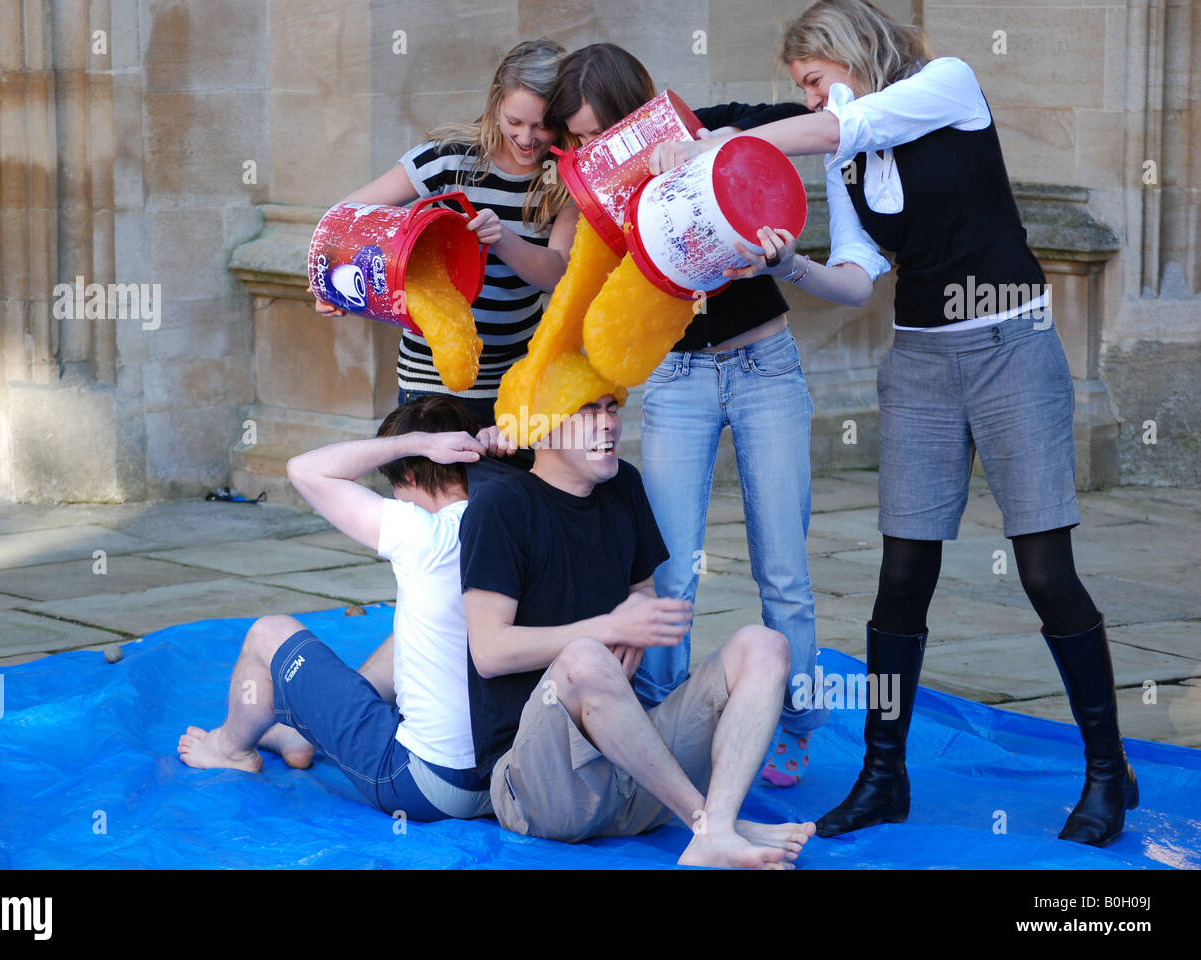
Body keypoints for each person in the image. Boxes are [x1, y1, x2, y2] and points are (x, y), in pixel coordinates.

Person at [651, 0, 1137, 847]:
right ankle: (885, 775)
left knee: (1044, 568)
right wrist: (790, 263)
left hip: (1011, 344)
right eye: (799, 89)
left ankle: (1107, 772)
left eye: (812, 80)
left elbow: (848, 123)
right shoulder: (845, 158)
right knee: (902, 571)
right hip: (917, 359)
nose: (808, 101)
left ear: (849, 53)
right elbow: (856, 275)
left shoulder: (945, 86)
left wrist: (719, 143)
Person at [543, 43, 826, 788]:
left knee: (784, 566)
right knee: (669, 567)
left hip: (764, 364)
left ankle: (793, 723)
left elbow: (806, 122)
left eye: (594, 132)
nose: (587, 150)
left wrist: (705, 147)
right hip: (676, 376)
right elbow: (566, 269)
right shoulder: (594, 190)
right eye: (574, 140)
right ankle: (658, 715)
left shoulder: (706, 127)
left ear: (629, 111)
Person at [461, 393, 816, 869]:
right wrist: (610, 626)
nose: (608, 424)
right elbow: (489, 649)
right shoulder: (500, 506)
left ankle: (719, 824)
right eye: (588, 411)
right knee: (586, 657)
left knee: (765, 646)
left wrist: (637, 611)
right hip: (541, 791)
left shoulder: (623, 484)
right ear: (539, 428)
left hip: (631, 775)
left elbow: (643, 588)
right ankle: (708, 826)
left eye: (612, 408)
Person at [176, 396, 495, 823]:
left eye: (396, 487)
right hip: (497, 781)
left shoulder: (425, 535)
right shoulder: (508, 519)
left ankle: (229, 748)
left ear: (413, 474)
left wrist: (412, 441)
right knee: (422, 627)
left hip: (421, 784)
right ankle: (301, 732)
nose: (397, 499)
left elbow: (303, 469)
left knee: (267, 634)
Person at [310, 39, 578, 426]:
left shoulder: (565, 179)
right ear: (495, 105)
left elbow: (557, 273)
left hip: (516, 381)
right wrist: (333, 285)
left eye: (542, 125)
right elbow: (347, 217)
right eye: (514, 122)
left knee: (502, 488)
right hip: (427, 381)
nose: (525, 138)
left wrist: (501, 237)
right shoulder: (449, 158)